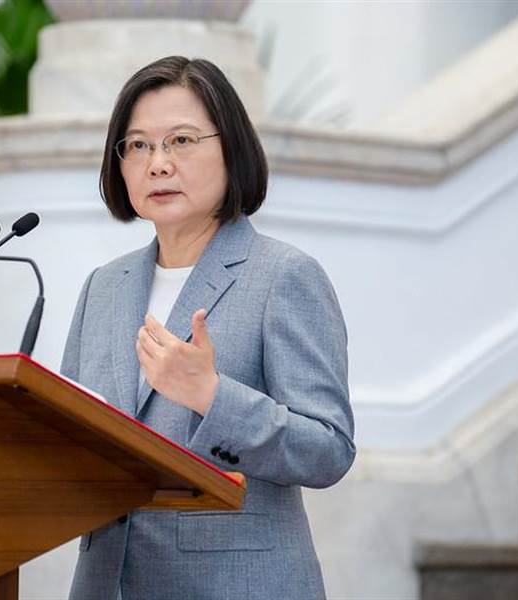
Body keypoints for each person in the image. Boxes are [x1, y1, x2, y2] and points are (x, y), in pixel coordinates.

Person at [60, 56, 355, 600]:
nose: (158, 164)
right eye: (138, 145)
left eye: (182, 140)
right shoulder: (103, 287)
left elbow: (328, 450)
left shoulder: (284, 276)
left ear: (231, 149)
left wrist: (213, 397)